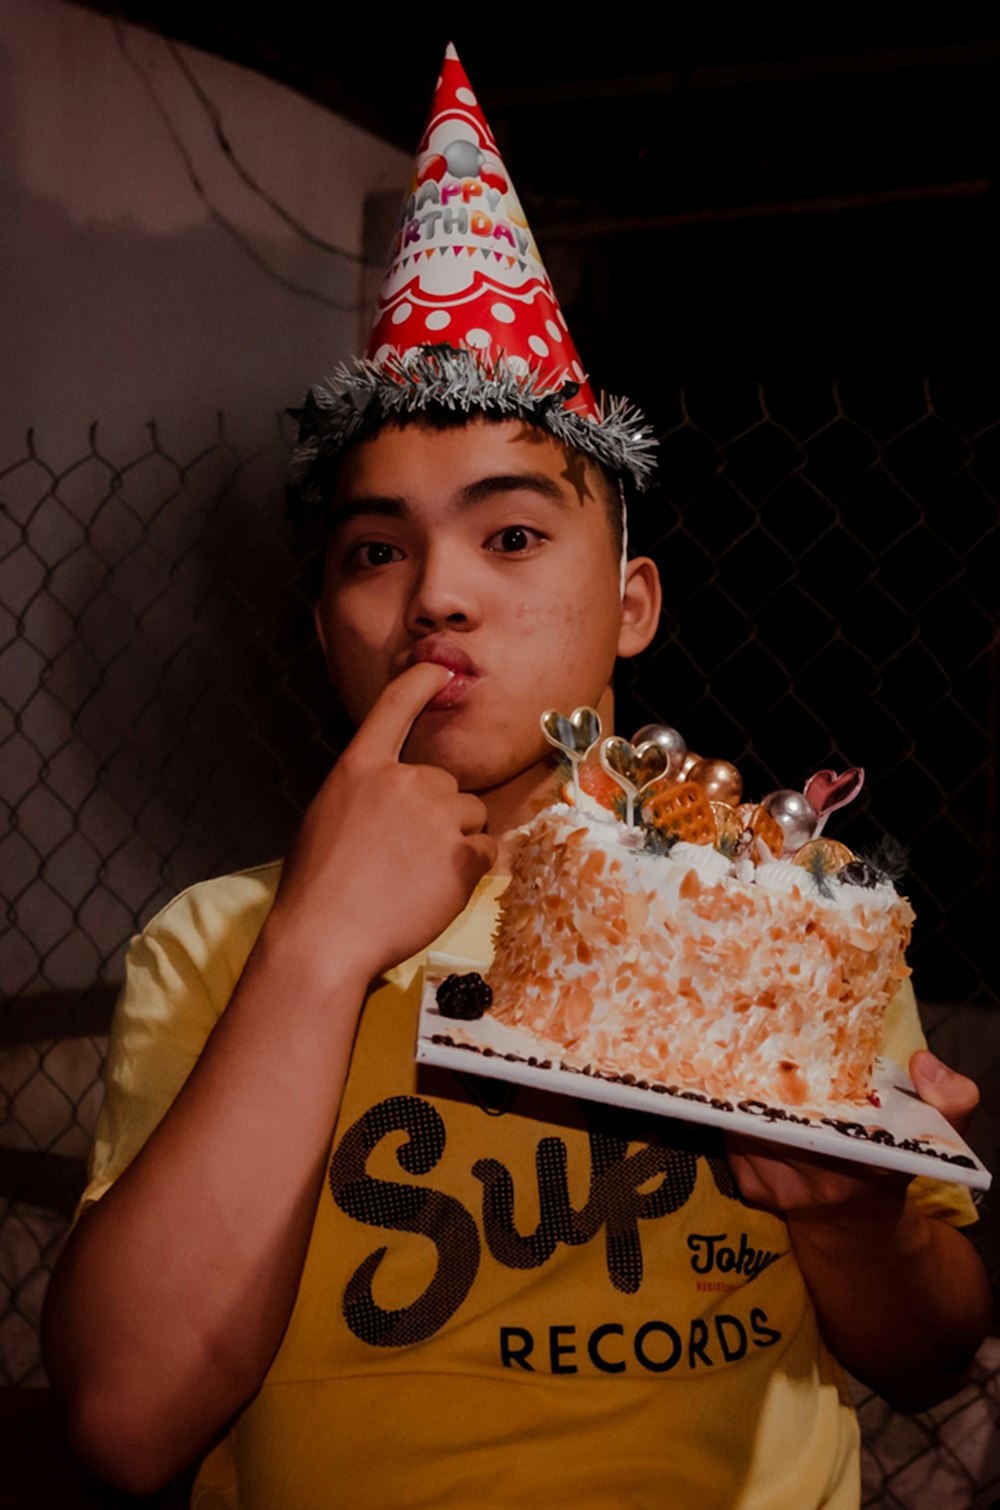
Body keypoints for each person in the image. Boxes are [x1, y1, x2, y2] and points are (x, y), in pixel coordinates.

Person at [43, 47, 990, 1509]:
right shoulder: (217, 941)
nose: (435, 595)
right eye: (375, 550)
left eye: (512, 535)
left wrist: (860, 1226)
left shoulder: (785, 915)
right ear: (324, 622)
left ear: (633, 602)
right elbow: (123, 1425)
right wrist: (315, 948)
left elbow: (929, 1353)